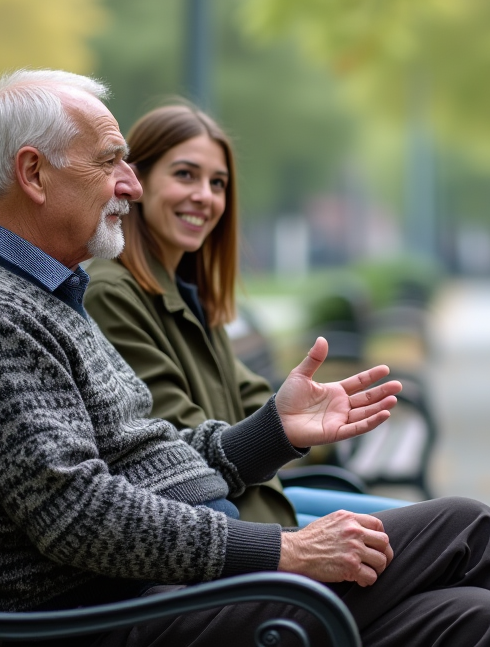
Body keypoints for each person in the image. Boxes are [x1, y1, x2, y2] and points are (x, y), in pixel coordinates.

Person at [0, 68, 490, 647]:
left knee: (477, 620)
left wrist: (275, 432)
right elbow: (79, 516)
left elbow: (150, 459)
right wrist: (285, 551)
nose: (129, 183)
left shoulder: (43, 296)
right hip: (122, 616)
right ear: (34, 173)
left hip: (164, 595)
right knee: (469, 527)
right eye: (110, 162)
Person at [84, 100, 405, 527]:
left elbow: (249, 395)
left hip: (263, 503)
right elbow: (176, 452)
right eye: (185, 175)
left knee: (456, 529)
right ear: (136, 180)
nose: (205, 196)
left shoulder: (188, 290)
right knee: (464, 530)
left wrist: (309, 414)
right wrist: (282, 428)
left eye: (218, 183)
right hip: (234, 530)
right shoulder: (112, 293)